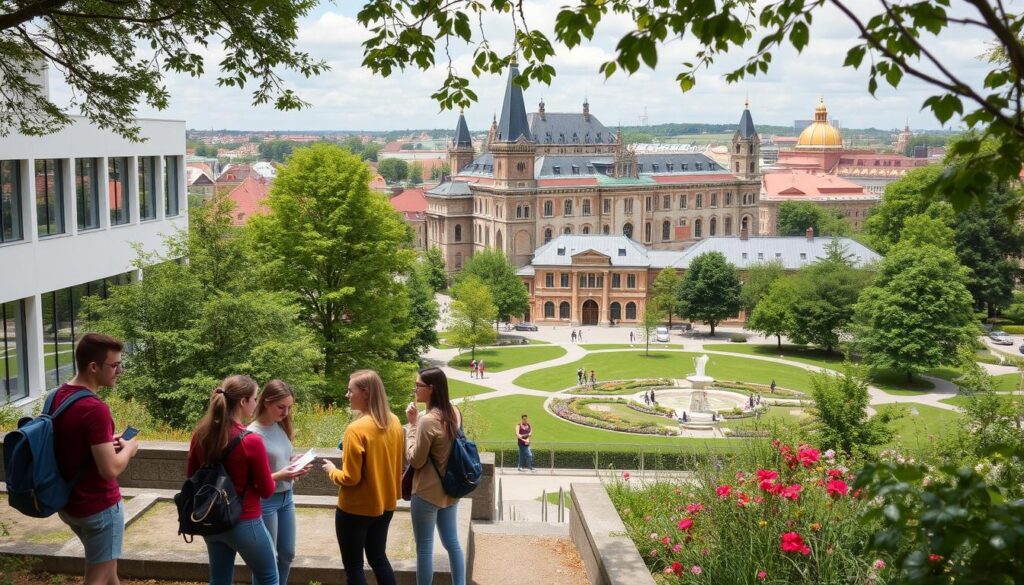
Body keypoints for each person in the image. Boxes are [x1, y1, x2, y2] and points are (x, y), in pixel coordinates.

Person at [53, 333, 139, 585]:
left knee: (109, 573)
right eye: (114, 365)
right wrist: (130, 448)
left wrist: (106, 440)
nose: (119, 371)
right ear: (93, 366)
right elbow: (110, 469)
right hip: (99, 508)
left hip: (70, 504)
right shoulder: (95, 408)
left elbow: (72, 442)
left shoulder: (59, 395)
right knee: (97, 579)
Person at [187, 375, 277, 585]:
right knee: (268, 577)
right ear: (243, 401)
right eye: (254, 398)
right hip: (245, 521)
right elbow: (266, 490)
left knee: (219, 580)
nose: (256, 403)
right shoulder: (251, 441)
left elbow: (191, 476)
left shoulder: (200, 434)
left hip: (212, 521)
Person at [322, 370, 404, 585]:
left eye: (351, 390)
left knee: (354, 567)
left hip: (355, 510)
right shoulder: (394, 421)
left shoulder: (355, 429)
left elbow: (350, 478)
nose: (347, 395)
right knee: (379, 558)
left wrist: (331, 469)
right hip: (385, 505)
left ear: (365, 393)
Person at [405, 368, 466, 585]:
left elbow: (416, 460)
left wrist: (412, 426)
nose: (415, 389)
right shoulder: (454, 412)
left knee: (424, 548)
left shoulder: (427, 421)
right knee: (452, 543)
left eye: (418, 385)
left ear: (431, 389)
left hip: (426, 493)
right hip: (450, 490)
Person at [248, 380, 311, 585]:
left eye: (289, 407)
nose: (286, 412)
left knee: (287, 554)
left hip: (287, 497)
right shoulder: (252, 433)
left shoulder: (281, 426)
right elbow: (250, 480)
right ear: (266, 402)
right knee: (267, 560)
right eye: (281, 407)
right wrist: (280, 475)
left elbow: (279, 461)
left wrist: (295, 465)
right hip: (266, 500)